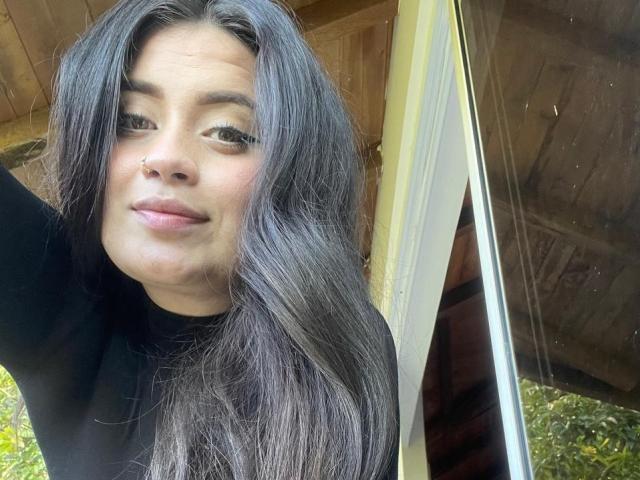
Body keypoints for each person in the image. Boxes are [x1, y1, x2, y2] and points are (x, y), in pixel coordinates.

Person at [0, 0, 399, 478]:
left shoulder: (343, 343)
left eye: (229, 132)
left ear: (294, 173)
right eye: (132, 121)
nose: (165, 158)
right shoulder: (56, 299)